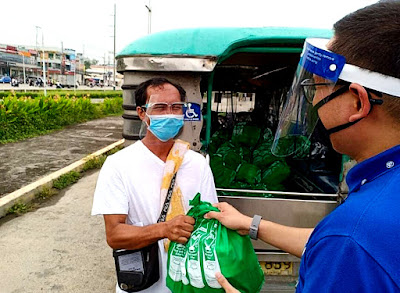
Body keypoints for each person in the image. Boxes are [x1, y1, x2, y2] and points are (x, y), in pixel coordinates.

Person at [206, 2, 400, 292]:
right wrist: (250, 224)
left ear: (358, 102)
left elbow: (345, 244)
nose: (313, 102)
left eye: (317, 88)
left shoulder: (352, 238)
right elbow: (329, 243)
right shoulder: (370, 213)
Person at [92, 77, 218, 293]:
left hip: (189, 285)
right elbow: (114, 235)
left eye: (176, 107)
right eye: (159, 107)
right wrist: (164, 229)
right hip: (143, 285)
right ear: (142, 113)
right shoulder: (119, 165)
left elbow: (211, 223)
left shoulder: (198, 163)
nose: (169, 113)